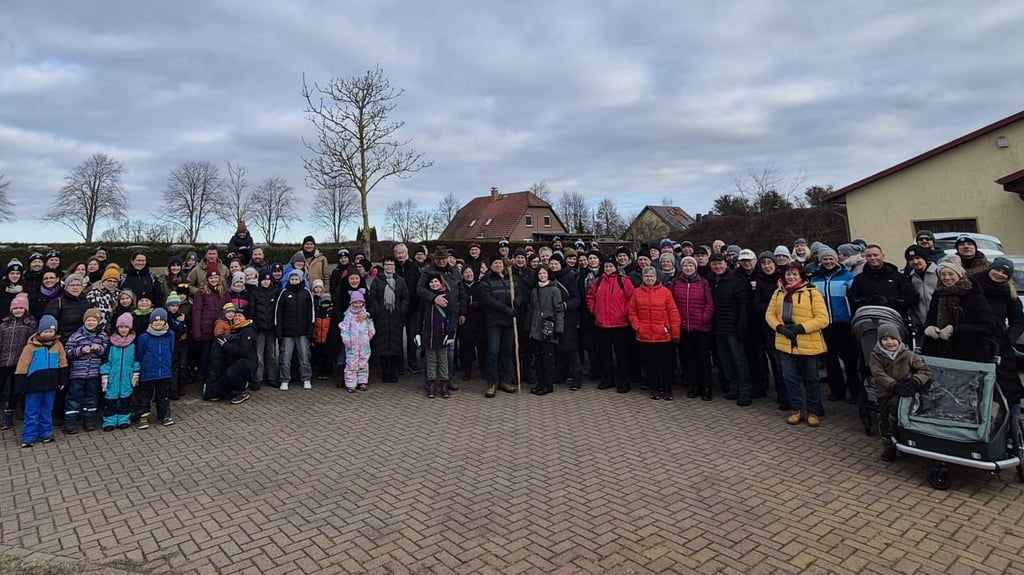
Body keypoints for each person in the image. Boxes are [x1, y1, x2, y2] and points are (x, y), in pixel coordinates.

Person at [924, 256, 1023, 416]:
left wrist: (1008, 338)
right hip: (948, 349)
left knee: (1006, 387)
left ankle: (1013, 420)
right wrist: (929, 328)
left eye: (1004, 272)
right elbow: (930, 317)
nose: (947, 278)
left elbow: (1013, 322)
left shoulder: (984, 294)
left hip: (990, 346)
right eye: (943, 274)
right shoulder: (942, 294)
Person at [766, 262, 830, 427]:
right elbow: (770, 314)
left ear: (801, 276)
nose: (791, 277)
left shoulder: (811, 292)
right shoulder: (778, 292)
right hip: (785, 341)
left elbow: (823, 318)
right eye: (788, 274)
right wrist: (779, 327)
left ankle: (813, 411)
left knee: (811, 379)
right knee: (789, 378)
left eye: (794, 274)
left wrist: (801, 328)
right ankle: (796, 409)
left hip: (807, 341)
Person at [869, 324, 931, 461]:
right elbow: (878, 374)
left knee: (900, 419)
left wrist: (915, 382)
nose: (889, 342)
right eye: (885, 339)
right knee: (885, 421)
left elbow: (925, 370)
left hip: (904, 393)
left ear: (898, 339)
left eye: (892, 338)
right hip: (885, 392)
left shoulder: (908, 354)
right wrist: (893, 384)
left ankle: (903, 444)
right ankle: (889, 447)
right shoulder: (876, 356)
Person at [809, 246, 860, 402]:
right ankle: (837, 390)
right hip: (824, 324)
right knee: (830, 359)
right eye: (825, 259)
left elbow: (854, 298)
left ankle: (855, 391)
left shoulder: (847, 276)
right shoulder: (815, 278)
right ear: (820, 260)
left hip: (844, 322)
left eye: (831, 258)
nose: (828, 261)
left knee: (849, 359)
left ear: (836, 260)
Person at [14, 314, 67, 448]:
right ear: (40, 331)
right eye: (46, 331)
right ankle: (29, 437)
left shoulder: (58, 346)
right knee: (32, 411)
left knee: (47, 410)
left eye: (51, 331)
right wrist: (21, 384)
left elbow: (63, 363)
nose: (49, 334)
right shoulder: (30, 347)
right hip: (34, 385)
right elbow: (22, 366)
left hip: (51, 384)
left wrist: (62, 380)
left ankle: (46, 434)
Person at [629, 266, 680, 400]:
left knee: (666, 364)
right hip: (644, 335)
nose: (649, 279)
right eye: (647, 276)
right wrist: (637, 326)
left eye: (652, 276)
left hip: (663, 336)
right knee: (650, 365)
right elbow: (632, 311)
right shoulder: (637, 292)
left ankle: (667, 389)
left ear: (656, 277)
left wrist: (675, 333)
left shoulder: (666, 292)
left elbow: (673, 313)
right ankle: (655, 388)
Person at [709, 253, 753, 405]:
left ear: (726, 264)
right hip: (718, 327)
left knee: (739, 360)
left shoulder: (736, 281)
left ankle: (745, 391)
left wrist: (742, 325)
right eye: (714, 264)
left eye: (720, 263)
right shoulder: (711, 280)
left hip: (734, 328)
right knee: (725, 360)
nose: (717, 266)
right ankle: (733, 387)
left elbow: (744, 305)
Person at [587, 259, 635, 393]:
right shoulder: (598, 281)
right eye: (606, 266)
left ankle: (623, 381)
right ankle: (608, 379)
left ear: (616, 267)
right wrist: (594, 309)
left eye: (611, 266)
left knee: (621, 354)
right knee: (605, 354)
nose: (608, 268)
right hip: (602, 324)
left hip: (620, 324)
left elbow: (631, 298)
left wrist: (624, 313)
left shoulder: (623, 280)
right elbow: (590, 297)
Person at [671, 256, 714, 400]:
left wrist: (704, 318)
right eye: (685, 265)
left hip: (701, 328)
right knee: (689, 358)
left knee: (703, 359)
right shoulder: (676, 282)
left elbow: (709, 304)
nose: (688, 268)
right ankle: (694, 386)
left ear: (695, 267)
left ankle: (706, 387)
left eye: (691, 265)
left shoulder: (703, 283)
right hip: (684, 327)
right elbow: (671, 303)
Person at [63, 308, 108, 434]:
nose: (91, 322)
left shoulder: (102, 335)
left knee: (91, 397)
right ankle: (71, 424)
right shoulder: (76, 336)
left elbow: (105, 350)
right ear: (84, 321)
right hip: (78, 373)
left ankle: (89, 422)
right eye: (88, 320)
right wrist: (81, 350)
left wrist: (98, 348)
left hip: (94, 373)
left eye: (94, 320)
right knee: (73, 398)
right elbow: (68, 351)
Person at [480, 255, 519, 397]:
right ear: (491, 265)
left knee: (507, 352)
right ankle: (492, 383)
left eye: (500, 263)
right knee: (493, 352)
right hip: (494, 322)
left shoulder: (510, 278)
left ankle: (504, 380)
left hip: (509, 322)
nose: (498, 265)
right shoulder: (486, 280)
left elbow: (518, 292)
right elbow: (487, 299)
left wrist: (518, 301)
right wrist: (504, 309)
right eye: (495, 263)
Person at [367, 256, 409, 383]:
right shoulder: (377, 281)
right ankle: (385, 372)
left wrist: (401, 309)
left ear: (394, 266)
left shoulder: (401, 281)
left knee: (395, 345)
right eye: (387, 264)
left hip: (396, 317)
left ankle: (394, 372)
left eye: (391, 264)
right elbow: (372, 297)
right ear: (383, 266)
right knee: (383, 345)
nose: (389, 267)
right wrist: (378, 309)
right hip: (382, 317)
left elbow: (406, 297)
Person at [848, 245, 916, 319]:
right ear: (865, 258)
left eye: (875, 255)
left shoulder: (898, 277)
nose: (873, 258)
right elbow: (852, 300)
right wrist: (869, 301)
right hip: (867, 320)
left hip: (894, 320)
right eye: (869, 256)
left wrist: (889, 301)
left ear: (883, 256)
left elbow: (910, 299)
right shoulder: (859, 279)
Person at [526, 265, 564, 396]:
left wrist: (559, 328)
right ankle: (540, 383)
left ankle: (548, 385)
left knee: (547, 358)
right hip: (535, 328)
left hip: (549, 327)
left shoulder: (555, 290)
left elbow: (559, 310)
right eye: (540, 274)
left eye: (544, 273)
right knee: (538, 359)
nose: (542, 276)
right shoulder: (534, 290)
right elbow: (531, 309)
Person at [0, 294, 36, 431]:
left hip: (20, 362)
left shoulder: (30, 324)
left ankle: (9, 415)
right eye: (16, 308)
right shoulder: (4, 325)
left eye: (21, 308)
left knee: (14, 390)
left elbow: (31, 343)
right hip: (4, 361)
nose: (18, 310)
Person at [135, 308, 175, 429]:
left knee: (162, 395)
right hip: (148, 373)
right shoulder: (144, 337)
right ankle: (143, 417)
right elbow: (140, 354)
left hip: (164, 372)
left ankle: (164, 416)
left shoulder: (170, 335)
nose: (158, 323)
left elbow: (171, 350)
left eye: (161, 320)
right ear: (151, 322)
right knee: (145, 396)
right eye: (155, 321)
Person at [419, 274, 457, 398]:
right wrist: (418, 332)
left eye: (436, 281)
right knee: (430, 360)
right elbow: (420, 315)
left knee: (443, 360)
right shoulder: (426, 298)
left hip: (442, 333)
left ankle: (444, 385)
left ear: (441, 283)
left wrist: (450, 332)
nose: (434, 284)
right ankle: (431, 384)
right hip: (428, 334)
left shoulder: (448, 296)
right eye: (431, 282)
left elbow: (453, 314)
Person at [276, 270, 314, 391]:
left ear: (301, 279)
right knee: (285, 357)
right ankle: (284, 379)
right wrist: (279, 330)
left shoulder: (306, 293)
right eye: (292, 279)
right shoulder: (284, 293)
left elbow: (311, 313)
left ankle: (306, 378)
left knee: (304, 356)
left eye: (296, 279)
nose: (294, 281)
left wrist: (310, 330)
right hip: (287, 332)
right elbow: (278, 313)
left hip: (302, 331)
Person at [192, 270, 229, 395]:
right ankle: (205, 383)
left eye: (216, 277)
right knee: (206, 358)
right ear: (207, 279)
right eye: (211, 278)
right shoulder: (201, 293)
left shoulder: (224, 292)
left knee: (219, 358)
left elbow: (228, 310)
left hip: (221, 330)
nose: (214, 280)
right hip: (206, 330)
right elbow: (197, 312)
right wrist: (197, 331)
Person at [100, 313, 139, 431]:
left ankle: (123, 419)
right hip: (113, 377)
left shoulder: (133, 343)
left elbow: (136, 360)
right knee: (111, 399)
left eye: (126, 327)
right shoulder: (111, 343)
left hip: (127, 376)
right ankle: (109, 420)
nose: (123, 329)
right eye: (121, 327)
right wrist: (105, 375)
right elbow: (105, 360)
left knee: (125, 399)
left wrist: (136, 373)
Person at [338, 290, 375, 393]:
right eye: (355, 302)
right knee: (351, 363)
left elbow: (370, 324)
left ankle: (362, 381)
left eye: (360, 302)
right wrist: (346, 339)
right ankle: (350, 383)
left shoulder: (365, 315)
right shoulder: (348, 315)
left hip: (364, 344)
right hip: (352, 345)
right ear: (352, 303)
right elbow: (344, 328)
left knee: (363, 362)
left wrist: (370, 334)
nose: (358, 305)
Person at [219, 310, 258, 405]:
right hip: (239, 360)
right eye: (235, 316)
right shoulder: (236, 329)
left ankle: (242, 391)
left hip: (248, 362)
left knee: (231, 372)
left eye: (240, 316)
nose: (237, 318)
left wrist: (226, 346)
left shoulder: (248, 330)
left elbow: (243, 350)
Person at [250, 270, 279, 390]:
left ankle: (272, 377)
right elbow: (251, 311)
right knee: (259, 355)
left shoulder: (276, 292)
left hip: (272, 328)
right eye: (263, 280)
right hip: (259, 328)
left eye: (268, 279)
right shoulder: (254, 293)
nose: (266, 282)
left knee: (272, 355)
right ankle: (257, 379)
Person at [904, 245, 938, 342]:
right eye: (911, 259)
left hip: (939, 322)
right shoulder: (910, 278)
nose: (915, 261)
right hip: (921, 323)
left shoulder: (939, 272)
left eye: (918, 258)